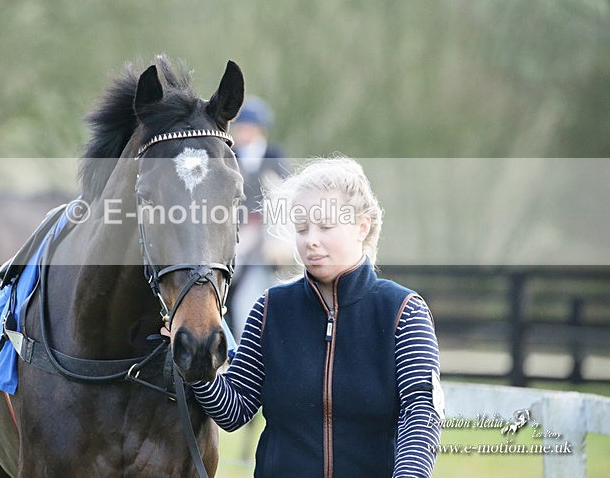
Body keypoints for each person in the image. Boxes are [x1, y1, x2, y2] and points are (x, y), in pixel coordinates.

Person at [189, 157, 443, 477]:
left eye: (325, 226)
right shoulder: (270, 309)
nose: (310, 240)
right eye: (301, 228)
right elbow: (234, 410)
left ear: (361, 227)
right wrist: (199, 365)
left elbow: (421, 414)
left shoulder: (403, 311)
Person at [227, 95, 291, 339]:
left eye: (248, 127)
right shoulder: (230, 156)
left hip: (269, 233)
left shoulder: (274, 156)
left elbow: (282, 199)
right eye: (240, 127)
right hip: (239, 233)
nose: (243, 132)